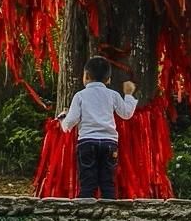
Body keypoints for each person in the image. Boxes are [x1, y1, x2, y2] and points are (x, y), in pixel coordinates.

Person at [58, 55, 137, 199]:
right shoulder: (112, 95)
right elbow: (126, 113)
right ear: (108, 79)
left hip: (87, 143)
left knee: (88, 183)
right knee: (108, 183)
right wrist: (129, 95)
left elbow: (71, 121)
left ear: (86, 76)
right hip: (109, 144)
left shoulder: (80, 96)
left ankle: (85, 213)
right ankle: (109, 213)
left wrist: (63, 119)